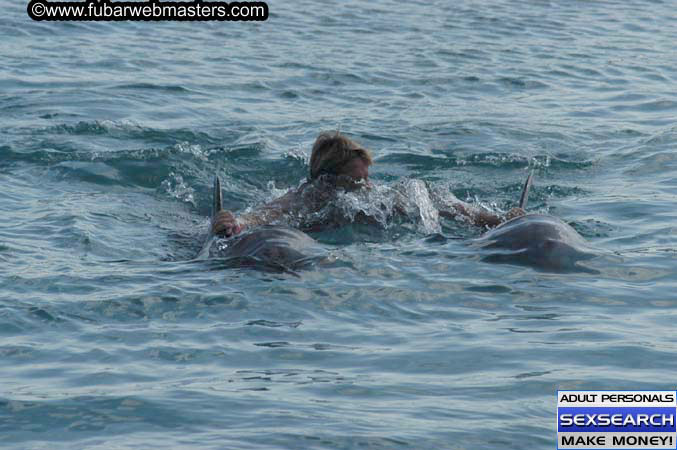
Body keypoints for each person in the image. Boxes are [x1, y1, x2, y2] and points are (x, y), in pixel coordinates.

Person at [212, 132, 524, 237]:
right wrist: (237, 222)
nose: (365, 187)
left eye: (367, 178)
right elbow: (271, 212)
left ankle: (499, 219)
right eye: (355, 180)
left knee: (430, 195)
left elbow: (450, 208)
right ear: (328, 179)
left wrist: (498, 221)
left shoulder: (381, 197)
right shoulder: (311, 197)